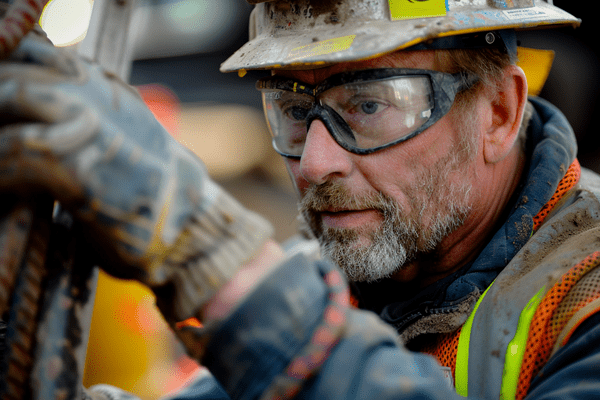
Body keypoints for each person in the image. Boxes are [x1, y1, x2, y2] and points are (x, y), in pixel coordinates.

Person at [2, 0, 600, 399]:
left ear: (498, 113)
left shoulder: (585, 295)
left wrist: (212, 257)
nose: (315, 163)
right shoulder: (359, 275)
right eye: (292, 110)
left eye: (368, 105)